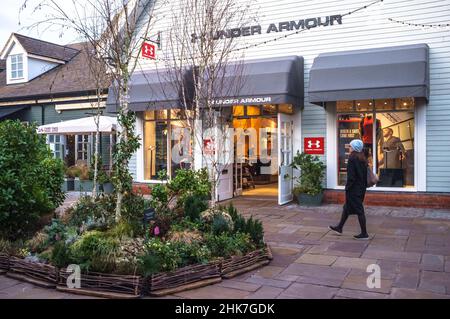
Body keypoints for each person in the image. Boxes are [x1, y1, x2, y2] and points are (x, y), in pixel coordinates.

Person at [329, 139, 369, 240]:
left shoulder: (352, 158)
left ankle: (364, 234)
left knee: (359, 210)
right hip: (361, 188)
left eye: (350, 146)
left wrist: (347, 188)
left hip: (354, 189)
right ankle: (339, 227)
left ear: (354, 148)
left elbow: (351, 177)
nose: (349, 148)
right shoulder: (362, 158)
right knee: (346, 208)